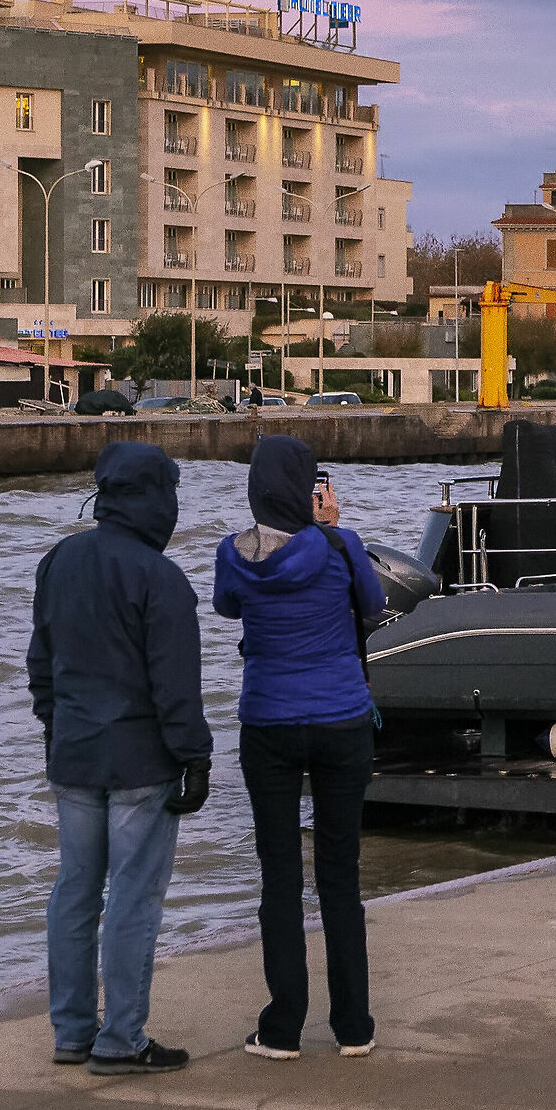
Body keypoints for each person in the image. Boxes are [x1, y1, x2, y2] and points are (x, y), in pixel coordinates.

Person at [28, 442, 212, 1074]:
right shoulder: (161, 578)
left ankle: (72, 1032)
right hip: (142, 761)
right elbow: (175, 688)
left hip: (75, 756)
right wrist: (196, 759)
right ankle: (121, 1039)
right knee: (133, 899)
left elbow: (40, 667)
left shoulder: (59, 561)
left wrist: (55, 730)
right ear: (159, 499)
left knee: (75, 894)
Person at [214, 435, 386, 1060]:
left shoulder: (232, 556)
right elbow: (373, 603)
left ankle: (283, 1026)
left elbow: (227, 606)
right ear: (310, 490)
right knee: (341, 875)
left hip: (269, 723)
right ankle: (354, 1027)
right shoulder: (339, 546)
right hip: (342, 719)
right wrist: (331, 528)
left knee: (279, 877)